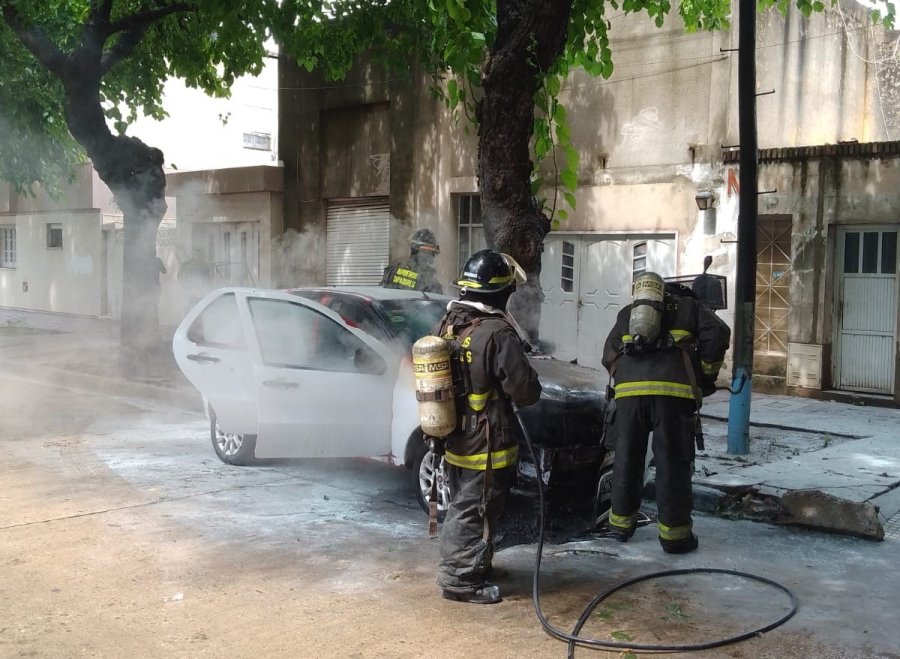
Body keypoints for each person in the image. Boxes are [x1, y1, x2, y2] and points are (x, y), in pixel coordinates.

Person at [433, 249, 542, 604]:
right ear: (500, 293)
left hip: (454, 437)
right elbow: (524, 390)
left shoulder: (450, 324)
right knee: (475, 508)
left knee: (467, 504)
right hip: (487, 441)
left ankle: (476, 564)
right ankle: (459, 580)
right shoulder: (496, 333)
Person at [601, 274, 730, 554]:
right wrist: (705, 374)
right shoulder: (691, 308)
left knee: (626, 458)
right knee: (672, 462)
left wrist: (626, 376)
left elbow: (608, 354)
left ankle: (620, 526)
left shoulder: (627, 313)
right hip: (672, 396)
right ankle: (675, 537)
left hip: (629, 397)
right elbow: (718, 333)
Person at [381, 228, 443, 293]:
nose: (433, 256)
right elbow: (438, 301)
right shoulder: (428, 277)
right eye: (431, 252)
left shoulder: (393, 271)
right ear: (425, 251)